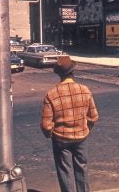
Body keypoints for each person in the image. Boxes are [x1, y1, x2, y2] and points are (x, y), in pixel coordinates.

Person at [40, 56, 99, 192]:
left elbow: (46, 125)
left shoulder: (51, 94)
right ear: (73, 71)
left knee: (64, 171)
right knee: (82, 168)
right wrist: (86, 129)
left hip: (61, 139)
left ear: (59, 73)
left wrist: (50, 134)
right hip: (81, 137)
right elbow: (94, 117)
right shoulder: (85, 90)